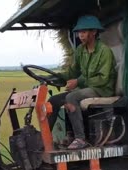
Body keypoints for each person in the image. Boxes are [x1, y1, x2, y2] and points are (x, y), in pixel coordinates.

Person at [48, 15, 117, 149]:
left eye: (84, 32)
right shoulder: (80, 50)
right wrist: (54, 78)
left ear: (94, 32)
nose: (80, 35)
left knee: (71, 97)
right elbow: (72, 72)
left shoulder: (104, 52)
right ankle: (45, 139)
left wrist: (78, 82)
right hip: (86, 88)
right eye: (79, 32)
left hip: (102, 89)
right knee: (54, 100)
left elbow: (102, 79)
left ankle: (80, 138)